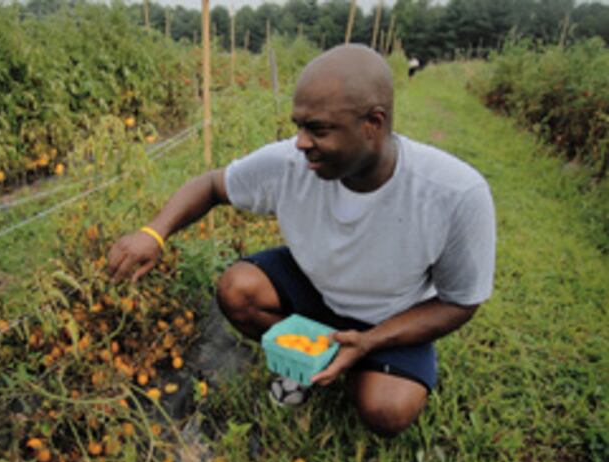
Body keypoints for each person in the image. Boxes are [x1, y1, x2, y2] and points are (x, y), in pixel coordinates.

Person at [107, 44, 495, 437]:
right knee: (238, 290)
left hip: (391, 314)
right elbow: (211, 185)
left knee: (386, 411)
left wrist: (369, 341)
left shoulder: (454, 194)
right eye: (298, 126)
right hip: (317, 286)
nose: (301, 143)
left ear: (372, 124)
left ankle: (355, 360)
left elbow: (460, 302)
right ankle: (306, 362)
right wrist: (153, 232)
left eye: (318, 129)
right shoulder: (292, 165)